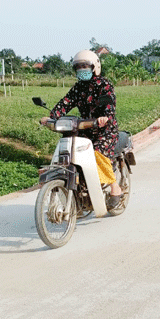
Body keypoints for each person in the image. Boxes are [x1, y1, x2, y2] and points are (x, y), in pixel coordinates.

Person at [40, 50, 123, 208]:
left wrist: (104, 116)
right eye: (78, 67)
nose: (81, 69)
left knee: (97, 153)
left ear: (94, 67)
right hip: (85, 128)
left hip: (105, 129)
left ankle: (115, 187)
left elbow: (109, 102)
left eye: (85, 66)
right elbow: (66, 102)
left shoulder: (104, 85)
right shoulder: (78, 88)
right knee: (70, 152)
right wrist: (52, 117)